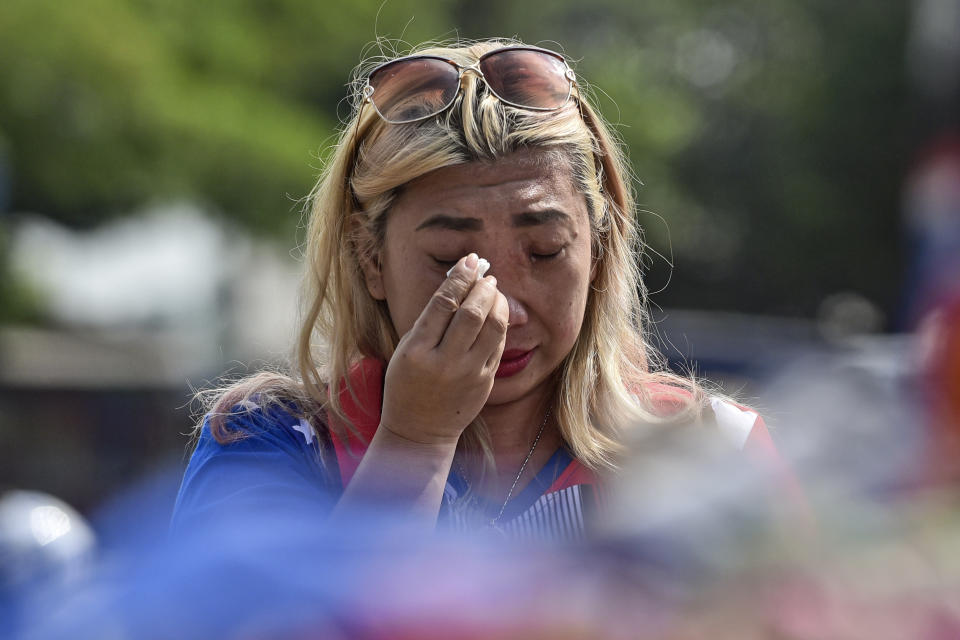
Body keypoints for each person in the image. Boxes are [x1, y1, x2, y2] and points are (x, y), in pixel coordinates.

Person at [171, 38, 792, 541]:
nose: (504, 307)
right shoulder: (271, 442)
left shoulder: (713, 450)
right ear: (371, 259)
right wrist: (414, 441)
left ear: (600, 248)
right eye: (451, 261)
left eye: (545, 251)